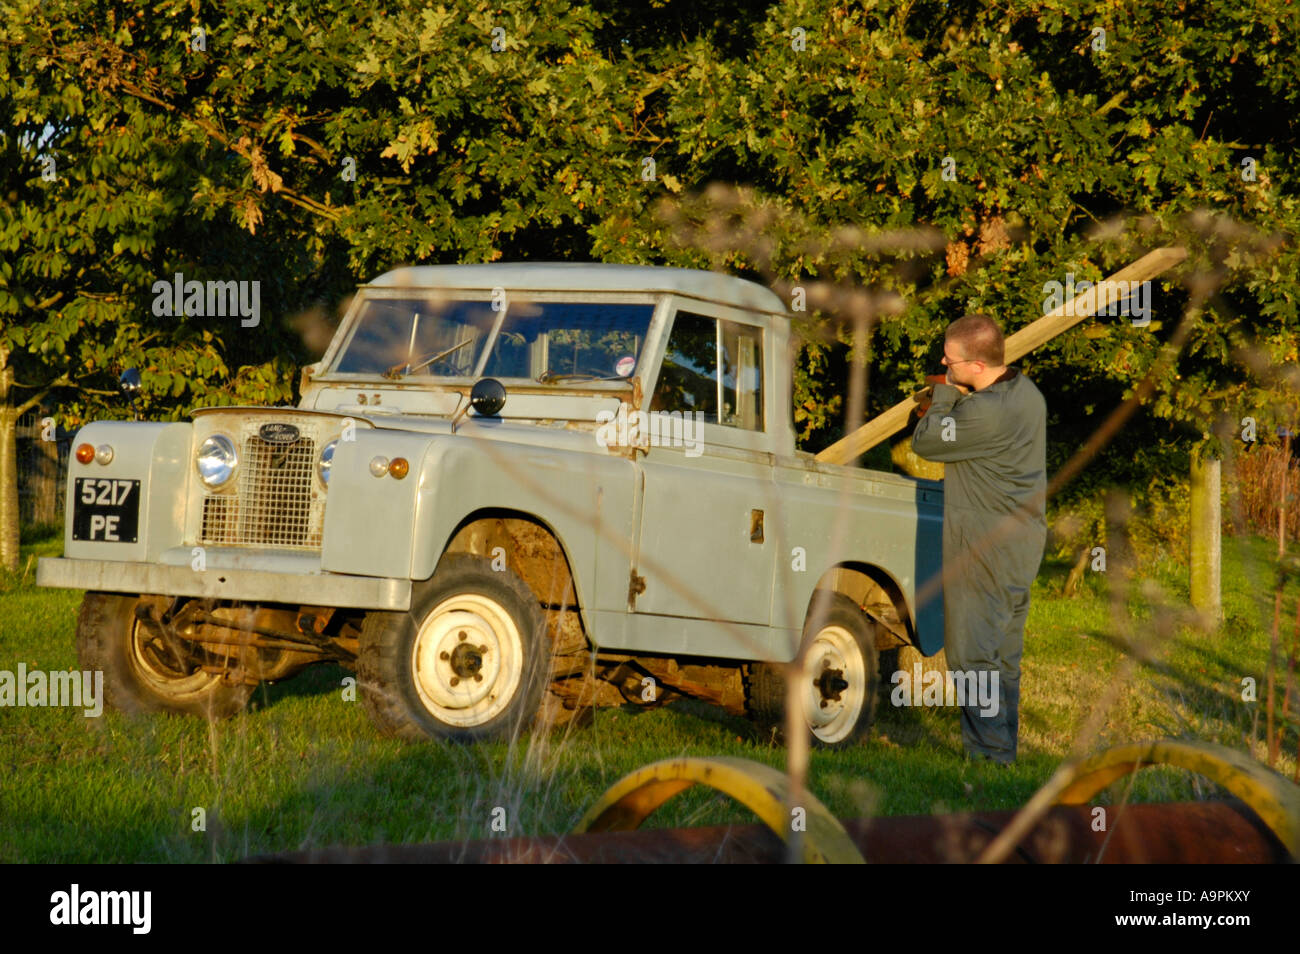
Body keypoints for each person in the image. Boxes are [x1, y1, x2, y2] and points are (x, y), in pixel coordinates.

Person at [911, 313, 1047, 765]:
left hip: (983, 550)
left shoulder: (986, 413)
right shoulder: (1025, 393)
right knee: (1002, 657)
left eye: (950, 361)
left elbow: (927, 443)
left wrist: (944, 396)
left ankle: (989, 758)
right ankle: (1003, 750)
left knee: (971, 659)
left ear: (976, 366)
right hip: (1020, 546)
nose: (943, 365)